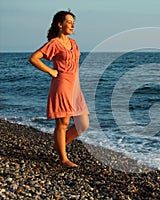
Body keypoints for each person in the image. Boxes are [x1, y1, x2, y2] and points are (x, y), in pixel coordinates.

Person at [29, 10, 89, 168]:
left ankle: (59, 146)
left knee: (83, 123)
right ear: (59, 24)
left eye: (73, 22)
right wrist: (50, 70)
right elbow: (34, 58)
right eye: (68, 22)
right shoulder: (54, 43)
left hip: (75, 87)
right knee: (63, 122)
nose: (72, 25)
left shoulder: (73, 43)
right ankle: (63, 159)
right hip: (61, 84)